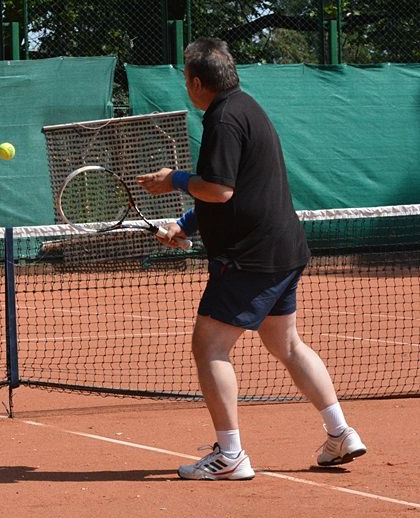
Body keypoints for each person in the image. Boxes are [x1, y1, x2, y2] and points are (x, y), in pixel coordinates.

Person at [136, 38, 366, 480]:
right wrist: (186, 225)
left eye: (186, 79)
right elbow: (237, 188)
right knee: (287, 344)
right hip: (284, 250)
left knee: (209, 346)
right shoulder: (248, 108)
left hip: (251, 259)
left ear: (197, 83)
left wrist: (174, 179)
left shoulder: (222, 119)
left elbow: (218, 188)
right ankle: (340, 433)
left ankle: (230, 455)